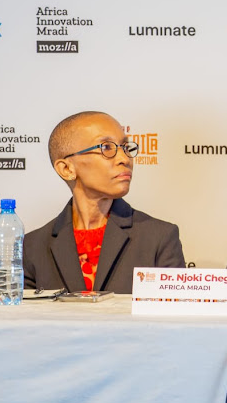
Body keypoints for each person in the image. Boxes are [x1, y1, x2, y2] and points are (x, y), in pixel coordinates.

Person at [24, 111, 185, 294]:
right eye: (106, 148)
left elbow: (172, 318)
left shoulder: (159, 237)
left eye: (126, 148)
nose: (125, 159)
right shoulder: (32, 247)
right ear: (67, 168)